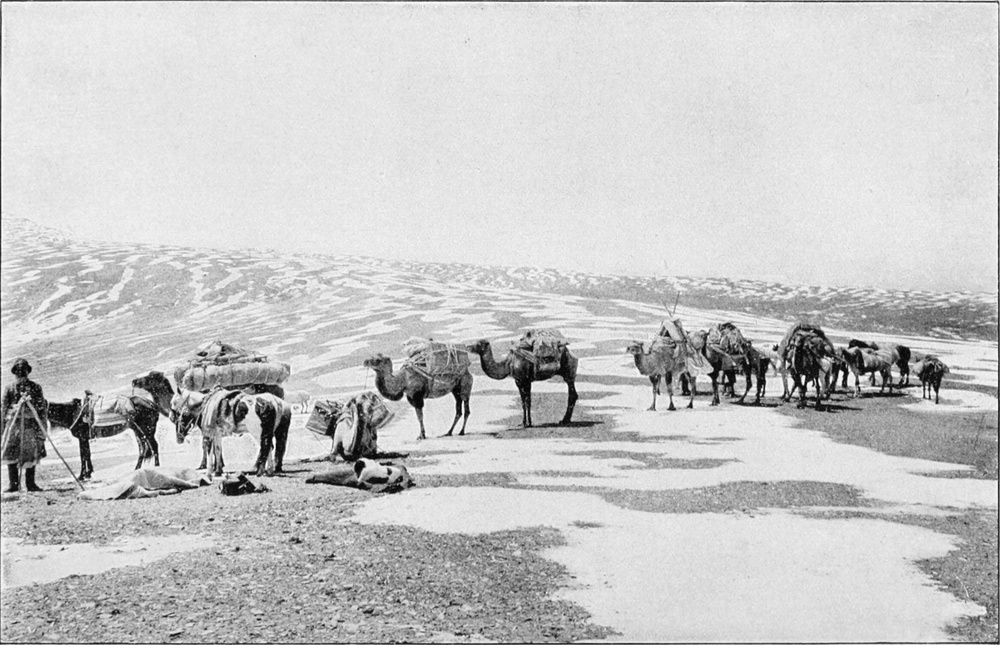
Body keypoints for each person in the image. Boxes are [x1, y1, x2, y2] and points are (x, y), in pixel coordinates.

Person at [2, 358, 48, 493]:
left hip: (30, 427)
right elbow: (4, 409)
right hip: (13, 427)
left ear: (28, 372)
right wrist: (15, 409)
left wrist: (42, 429)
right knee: (11, 454)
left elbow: (42, 410)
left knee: (30, 454)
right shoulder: (9, 388)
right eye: (18, 371)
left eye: (23, 371)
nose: (21, 373)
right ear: (15, 372)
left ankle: (30, 484)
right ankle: (13, 485)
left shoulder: (36, 387)